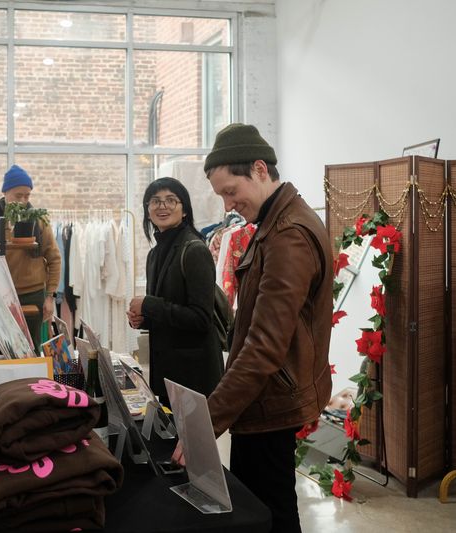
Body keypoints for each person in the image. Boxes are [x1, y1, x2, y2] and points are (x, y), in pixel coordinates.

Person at [172, 123, 334, 533]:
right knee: (260, 507)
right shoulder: (275, 223)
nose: (229, 205)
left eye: (231, 191)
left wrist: (207, 423)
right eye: (222, 196)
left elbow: (264, 346)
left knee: (269, 513)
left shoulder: (288, 235)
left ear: (260, 169)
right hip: (264, 397)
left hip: (271, 401)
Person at [127, 177, 224, 405]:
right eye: (155, 201)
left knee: (192, 431)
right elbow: (167, 313)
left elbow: (200, 318)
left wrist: (148, 304)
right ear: (147, 210)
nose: (163, 206)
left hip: (194, 376)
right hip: (168, 373)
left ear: (184, 210)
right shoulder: (154, 254)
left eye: (171, 200)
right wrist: (143, 319)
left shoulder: (194, 250)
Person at [0, 164, 61, 347]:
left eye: (27, 196)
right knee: (0, 348)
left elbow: (54, 259)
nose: (23, 201)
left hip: (33, 294)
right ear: (5, 192)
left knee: (32, 348)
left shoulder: (39, 221)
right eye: (18, 195)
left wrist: (50, 297)